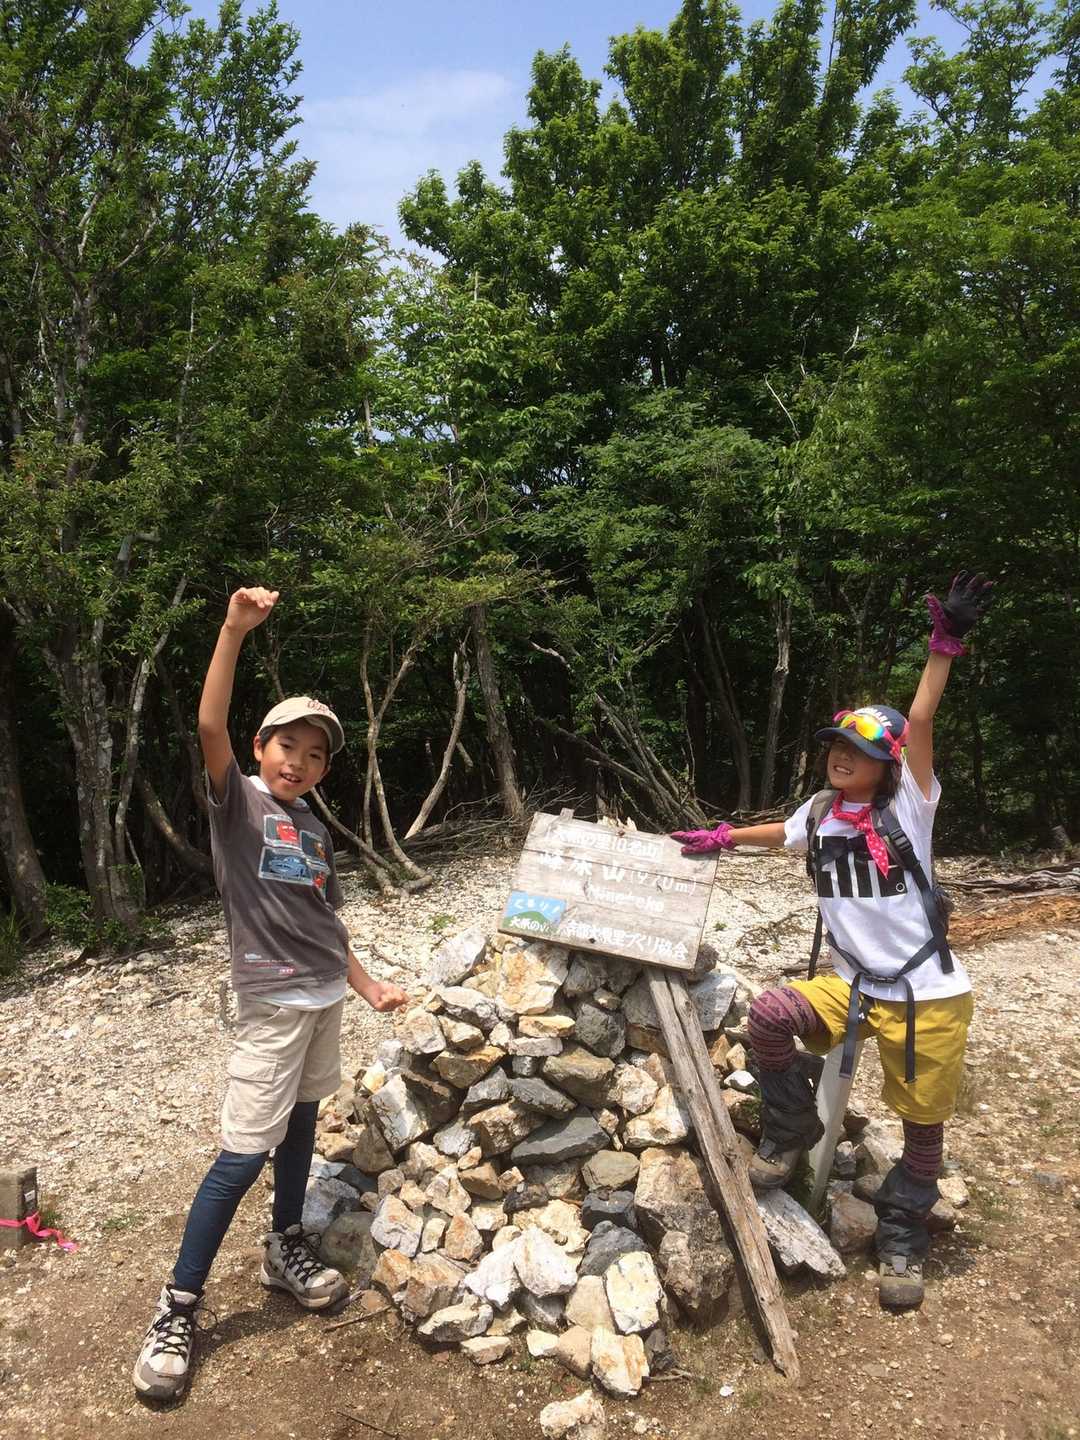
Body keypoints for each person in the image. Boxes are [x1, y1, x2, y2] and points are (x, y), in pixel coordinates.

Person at [673, 571, 994, 1310]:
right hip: (852, 983)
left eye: (857, 749)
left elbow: (921, 717)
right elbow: (779, 833)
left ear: (889, 763)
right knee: (770, 1017)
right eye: (836, 746)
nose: (841, 756)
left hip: (925, 992)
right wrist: (723, 837)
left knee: (921, 1125)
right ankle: (792, 1125)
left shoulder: (910, 807)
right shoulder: (821, 811)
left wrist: (943, 645)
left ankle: (903, 1234)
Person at [133, 586, 408, 1401]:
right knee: (241, 1152)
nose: (298, 762)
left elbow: (327, 920)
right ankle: (179, 1304)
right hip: (270, 1004)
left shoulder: (316, 831)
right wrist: (232, 630)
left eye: (315, 755)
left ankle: (285, 1246)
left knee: (301, 1125)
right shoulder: (239, 803)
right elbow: (208, 725)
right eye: (287, 745)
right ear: (261, 747)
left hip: (324, 999)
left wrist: (367, 986)